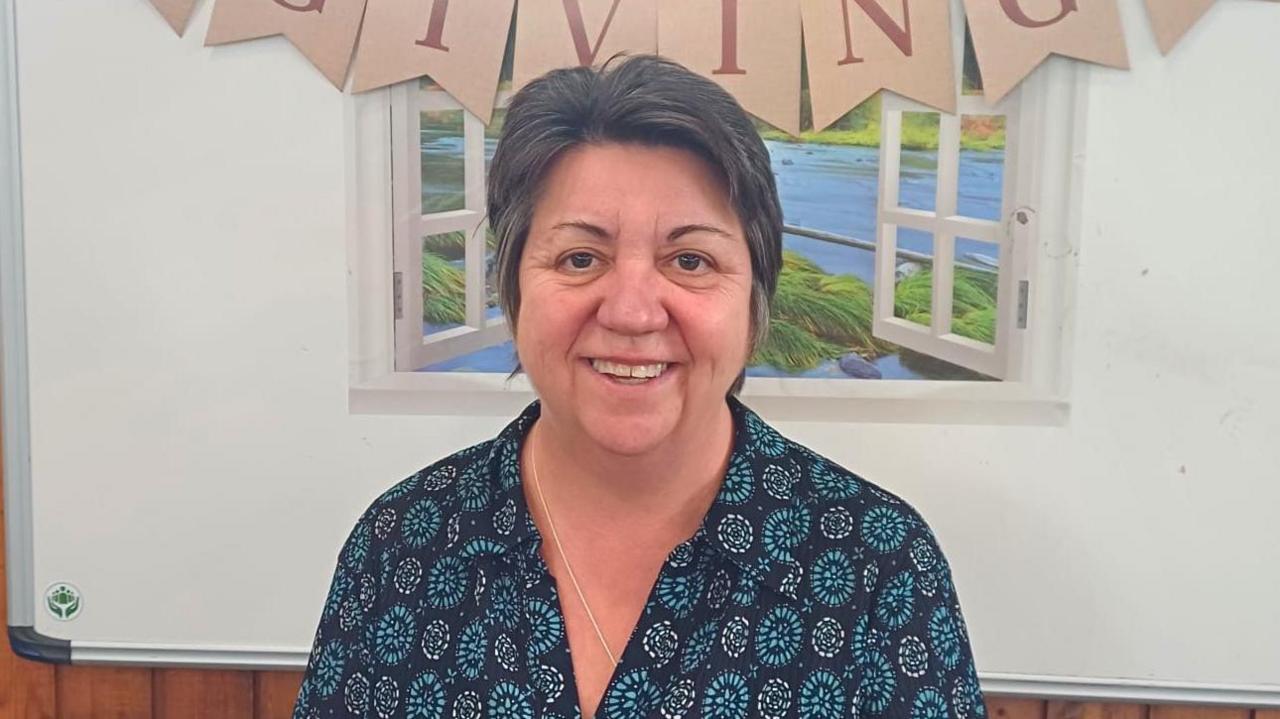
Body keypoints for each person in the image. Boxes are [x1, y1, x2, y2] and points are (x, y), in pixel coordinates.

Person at [293, 55, 986, 719]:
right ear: (514, 288)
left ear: (754, 304)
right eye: (580, 256)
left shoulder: (877, 565)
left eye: (690, 259)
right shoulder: (402, 545)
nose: (630, 312)